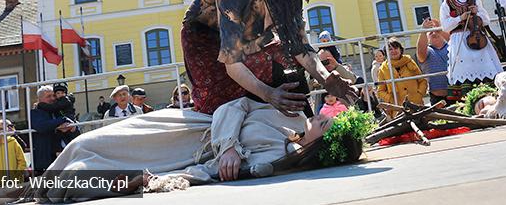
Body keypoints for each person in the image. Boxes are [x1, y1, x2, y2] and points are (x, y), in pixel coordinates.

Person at [34, 97, 374, 202]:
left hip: (184, 156)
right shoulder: (293, 114)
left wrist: (168, 178)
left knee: (89, 166)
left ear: (320, 147)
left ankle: (53, 188)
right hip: (189, 126)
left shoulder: (275, 162)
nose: (323, 118)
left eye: (327, 125)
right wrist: (229, 145)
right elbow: (235, 106)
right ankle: (37, 186)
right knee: (88, 142)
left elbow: (216, 173)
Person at [180, 0, 357, 116]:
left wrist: (325, 78)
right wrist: (268, 94)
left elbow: (300, 47)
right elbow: (232, 63)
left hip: (251, 34)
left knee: (286, 59)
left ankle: (305, 127)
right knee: (221, 101)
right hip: (204, 38)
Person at [440, 0, 503, 95]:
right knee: (465, 70)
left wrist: (476, 13)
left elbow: (486, 20)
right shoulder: (447, 3)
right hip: (459, 40)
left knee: (484, 67)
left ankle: (490, 95)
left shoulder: (474, 0)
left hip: (478, 38)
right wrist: (459, 18)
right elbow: (445, 26)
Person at [30, 86, 75, 175]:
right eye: (48, 96)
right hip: (45, 158)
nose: (52, 98)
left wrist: (71, 126)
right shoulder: (36, 112)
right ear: (40, 99)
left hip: (62, 154)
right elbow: (41, 126)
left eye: (53, 96)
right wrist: (62, 120)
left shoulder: (56, 110)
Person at [377, 37, 427, 111]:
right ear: (386, 52)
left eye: (396, 48)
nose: (393, 51)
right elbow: (380, 91)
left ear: (400, 49)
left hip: (416, 104)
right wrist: (391, 99)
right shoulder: (383, 68)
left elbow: (422, 81)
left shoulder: (409, 61)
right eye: (390, 49)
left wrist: (419, 94)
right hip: (397, 108)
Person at [416, 18, 450, 105]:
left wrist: (440, 29)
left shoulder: (451, 46)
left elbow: (456, 42)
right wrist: (423, 30)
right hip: (437, 97)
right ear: (427, 38)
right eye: (431, 32)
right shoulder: (428, 50)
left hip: (456, 92)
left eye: (436, 31)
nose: (434, 33)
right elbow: (420, 52)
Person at [0, 119, 27, 188]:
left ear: (6, 130)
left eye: (1, 128)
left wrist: (17, 175)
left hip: (15, 182)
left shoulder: (13, 143)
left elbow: (22, 161)